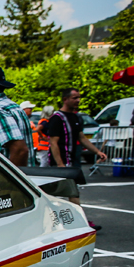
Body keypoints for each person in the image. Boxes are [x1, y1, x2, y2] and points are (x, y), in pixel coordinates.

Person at [46, 88, 106, 231]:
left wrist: (97, 152)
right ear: (65, 99)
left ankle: (74, 220)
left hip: (72, 162)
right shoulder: (57, 118)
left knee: (69, 192)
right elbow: (53, 142)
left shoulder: (76, 117)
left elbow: (82, 138)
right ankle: (78, 220)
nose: (78, 100)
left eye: (78, 97)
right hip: (61, 163)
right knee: (64, 193)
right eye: (74, 98)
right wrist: (60, 164)